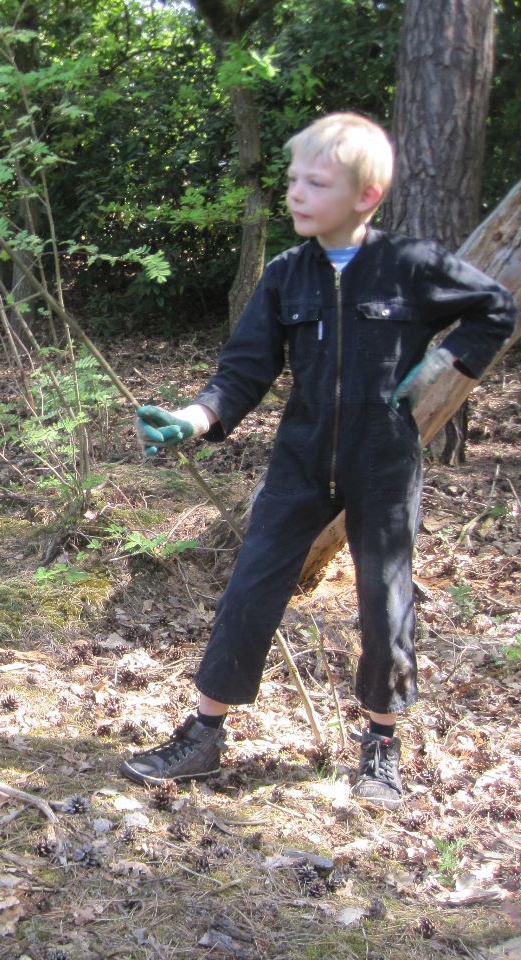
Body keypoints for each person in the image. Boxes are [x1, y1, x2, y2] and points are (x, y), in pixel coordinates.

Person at [120, 113, 515, 810]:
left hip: (384, 461)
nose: (297, 193)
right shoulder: (284, 277)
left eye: (316, 182)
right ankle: (206, 736)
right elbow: (241, 374)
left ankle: (381, 746)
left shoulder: (411, 265)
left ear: (365, 196)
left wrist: (441, 364)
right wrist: (190, 419)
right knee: (249, 587)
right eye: (293, 179)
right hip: (301, 459)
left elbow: (495, 307)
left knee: (383, 600)